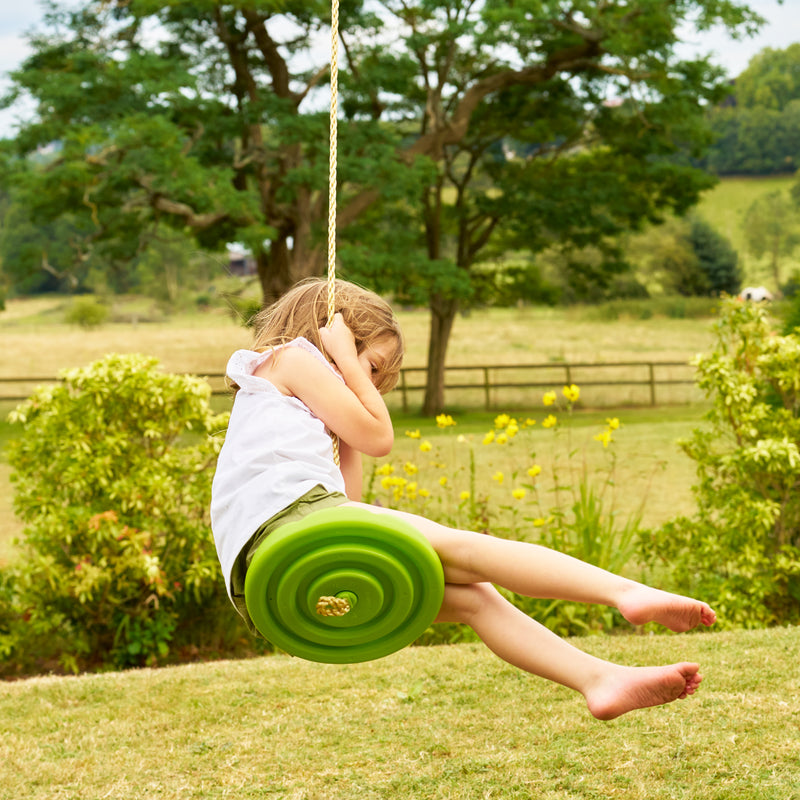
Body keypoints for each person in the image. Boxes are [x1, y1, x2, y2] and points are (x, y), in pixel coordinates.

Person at [210, 278, 716, 721]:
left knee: (477, 600)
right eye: (372, 366)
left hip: (263, 580)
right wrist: (345, 359)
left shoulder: (284, 410)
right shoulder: (294, 358)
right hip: (289, 525)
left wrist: (344, 428)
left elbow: (352, 506)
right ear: (335, 331)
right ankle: (624, 594)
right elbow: (379, 440)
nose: (369, 385)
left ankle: (598, 679)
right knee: (471, 551)